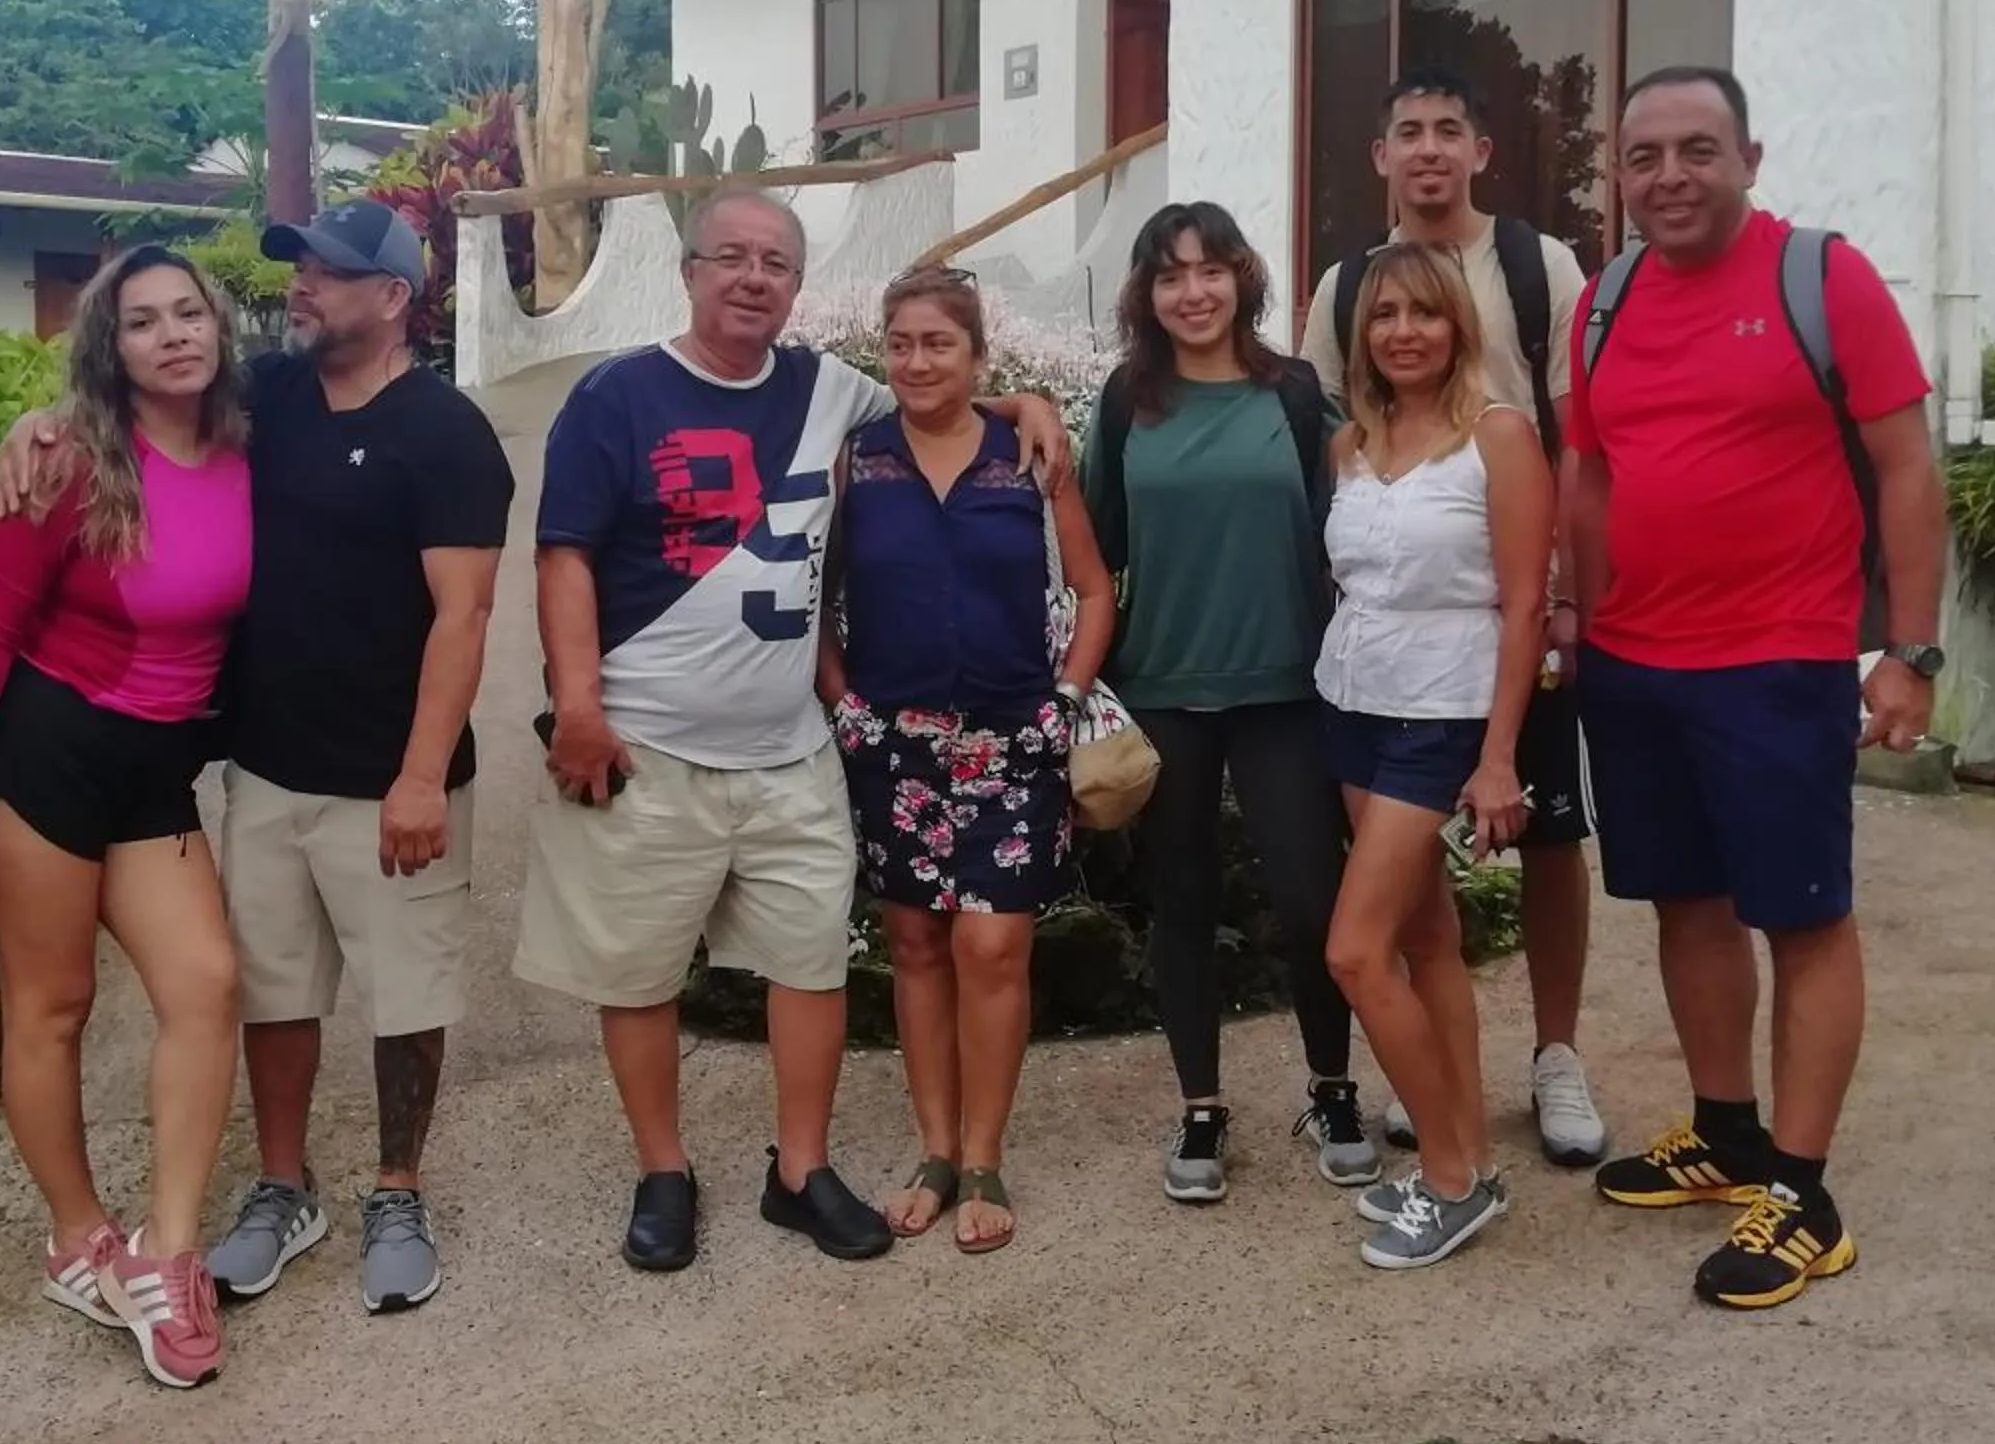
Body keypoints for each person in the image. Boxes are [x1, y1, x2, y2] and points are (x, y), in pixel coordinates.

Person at [520, 192, 1074, 1272]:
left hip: (792, 749)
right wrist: (578, 704)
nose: (753, 277)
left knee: (811, 965)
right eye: (730, 256)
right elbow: (565, 554)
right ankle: (663, 1170)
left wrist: (1027, 402)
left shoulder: (835, 393)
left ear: (798, 286)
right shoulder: (616, 396)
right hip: (646, 741)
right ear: (687, 271)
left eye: (776, 261)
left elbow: (940, 393)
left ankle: (800, 1171)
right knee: (638, 973)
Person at [0, 200, 514, 1318]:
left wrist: (422, 774)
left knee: (402, 994)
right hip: (266, 767)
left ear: (392, 299)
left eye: (326, 274)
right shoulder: (264, 397)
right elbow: (135, 415)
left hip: (394, 779)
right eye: (300, 269)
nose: (301, 288)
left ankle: (397, 1187)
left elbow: (462, 616)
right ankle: (285, 1186)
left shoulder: (446, 432)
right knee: (274, 992)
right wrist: (40, 423)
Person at [1563, 66, 1949, 1310]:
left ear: (1750, 157)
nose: (1668, 176)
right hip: (1634, 660)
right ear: (1615, 173)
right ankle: (1724, 1134)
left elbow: (1905, 469)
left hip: (1777, 662)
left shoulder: (1823, 280)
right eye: (1642, 156)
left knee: (1804, 917)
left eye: (1697, 150)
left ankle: (1802, 1190)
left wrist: (1912, 650)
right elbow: (1594, 475)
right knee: (1686, 902)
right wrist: (1580, 615)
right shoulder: (1606, 299)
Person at [0, 245, 251, 1390]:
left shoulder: (256, 448)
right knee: (50, 1007)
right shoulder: (67, 466)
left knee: (205, 984)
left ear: (217, 326)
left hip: (156, 770)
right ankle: (75, 1234)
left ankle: (169, 1251)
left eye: (188, 312)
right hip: (44, 758)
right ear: (112, 350)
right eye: (143, 322)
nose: (172, 335)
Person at [1302, 69, 1607, 1168]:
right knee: (1418, 921)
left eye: (1448, 132)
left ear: (1478, 149)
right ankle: (1449, 1109)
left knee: (1550, 837)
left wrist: (1570, 597)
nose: (1427, 149)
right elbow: (1336, 423)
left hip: (1498, 630)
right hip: (1374, 675)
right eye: (1406, 134)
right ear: (1381, 154)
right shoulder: (1343, 288)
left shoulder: (1538, 267)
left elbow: (1575, 435)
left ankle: (1554, 1058)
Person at [1081, 200, 1379, 1205]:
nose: (1193, 291)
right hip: (1163, 683)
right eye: (1170, 275)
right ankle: (1201, 1105)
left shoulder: (1295, 396)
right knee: (1182, 902)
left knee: (1309, 902)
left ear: (1242, 278)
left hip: (1289, 685)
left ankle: (1332, 1087)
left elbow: (1362, 522)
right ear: (1146, 294)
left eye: (1210, 271)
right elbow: (1094, 551)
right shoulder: (1128, 402)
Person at [817, 266, 1116, 1256]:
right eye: (899, 343)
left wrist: (1064, 701)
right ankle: (935, 1152)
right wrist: (844, 703)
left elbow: (1092, 587)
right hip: (893, 746)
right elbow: (815, 604)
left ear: (978, 356)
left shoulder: (1025, 454)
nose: (916, 361)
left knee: (993, 947)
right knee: (915, 945)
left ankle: (985, 1154)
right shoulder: (855, 461)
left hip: (1011, 740)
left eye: (939, 343)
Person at [1315, 244, 1551, 1269]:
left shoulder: (1497, 437)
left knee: (1353, 953)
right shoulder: (1353, 444)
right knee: (1429, 941)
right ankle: (1466, 1152)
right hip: (1352, 705)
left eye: (1424, 312)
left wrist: (1499, 757)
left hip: (1439, 720)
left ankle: (1453, 1182)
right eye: (1382, 315)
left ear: (1460, 324)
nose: (1402, 331)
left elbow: (1526, 604)